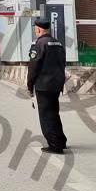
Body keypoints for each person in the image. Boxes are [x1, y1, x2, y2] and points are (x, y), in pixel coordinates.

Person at [27, 20, 68, 154]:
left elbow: (33, 67)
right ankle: (61, 140)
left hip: (43, 85)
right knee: (54, 113)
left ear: (38, 30)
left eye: (35, 29)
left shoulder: (39, 44)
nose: (35, 31)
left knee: (46, 116)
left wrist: (30, 85)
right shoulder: (58, 43)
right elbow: (63, 63)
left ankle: (55, 145)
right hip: (56, 84)